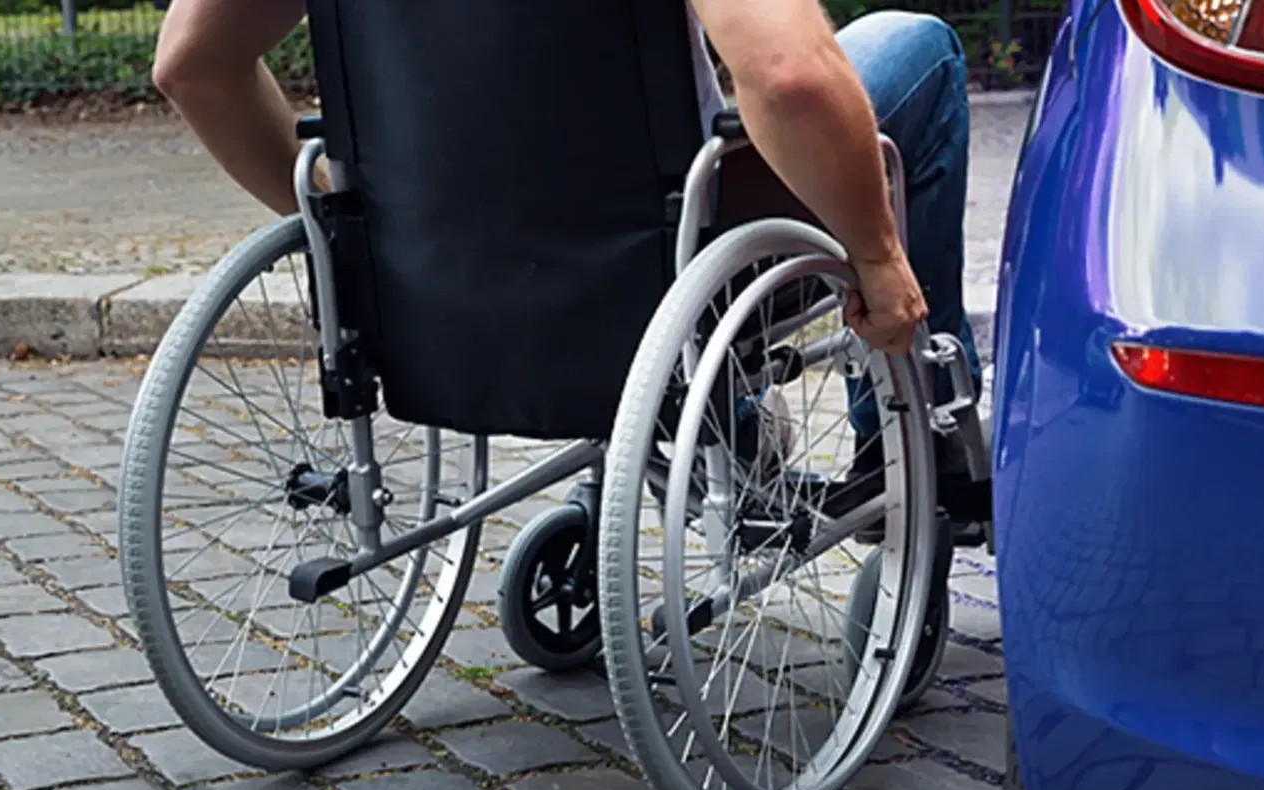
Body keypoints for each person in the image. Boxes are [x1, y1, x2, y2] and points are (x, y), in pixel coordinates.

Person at [154, 0, 987, 522]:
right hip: (662, 275)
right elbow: (790, 75)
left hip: (433, 282)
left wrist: (352, 232)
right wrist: (876, 253)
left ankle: (727, 420)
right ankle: (912, 445)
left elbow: (191, 64)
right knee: (920, 47)